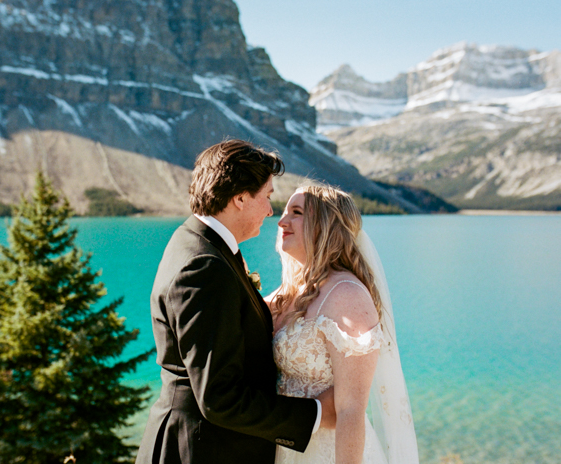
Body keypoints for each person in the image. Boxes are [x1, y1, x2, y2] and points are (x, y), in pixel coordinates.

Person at [136, 140, 336, 464]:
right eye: (267, 196)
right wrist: (316, 414)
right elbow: (220, 398)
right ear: (240, 198)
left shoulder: (197, 242)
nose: (271, 211)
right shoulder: (205, 267)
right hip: (200, 450)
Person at [270, 185, 419, 464]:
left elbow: (351, 410)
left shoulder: (347, 295)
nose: (281, 221)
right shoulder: (288, 292)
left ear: (325, 226)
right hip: (282, 446)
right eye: (283, 211)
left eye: (297, 212)